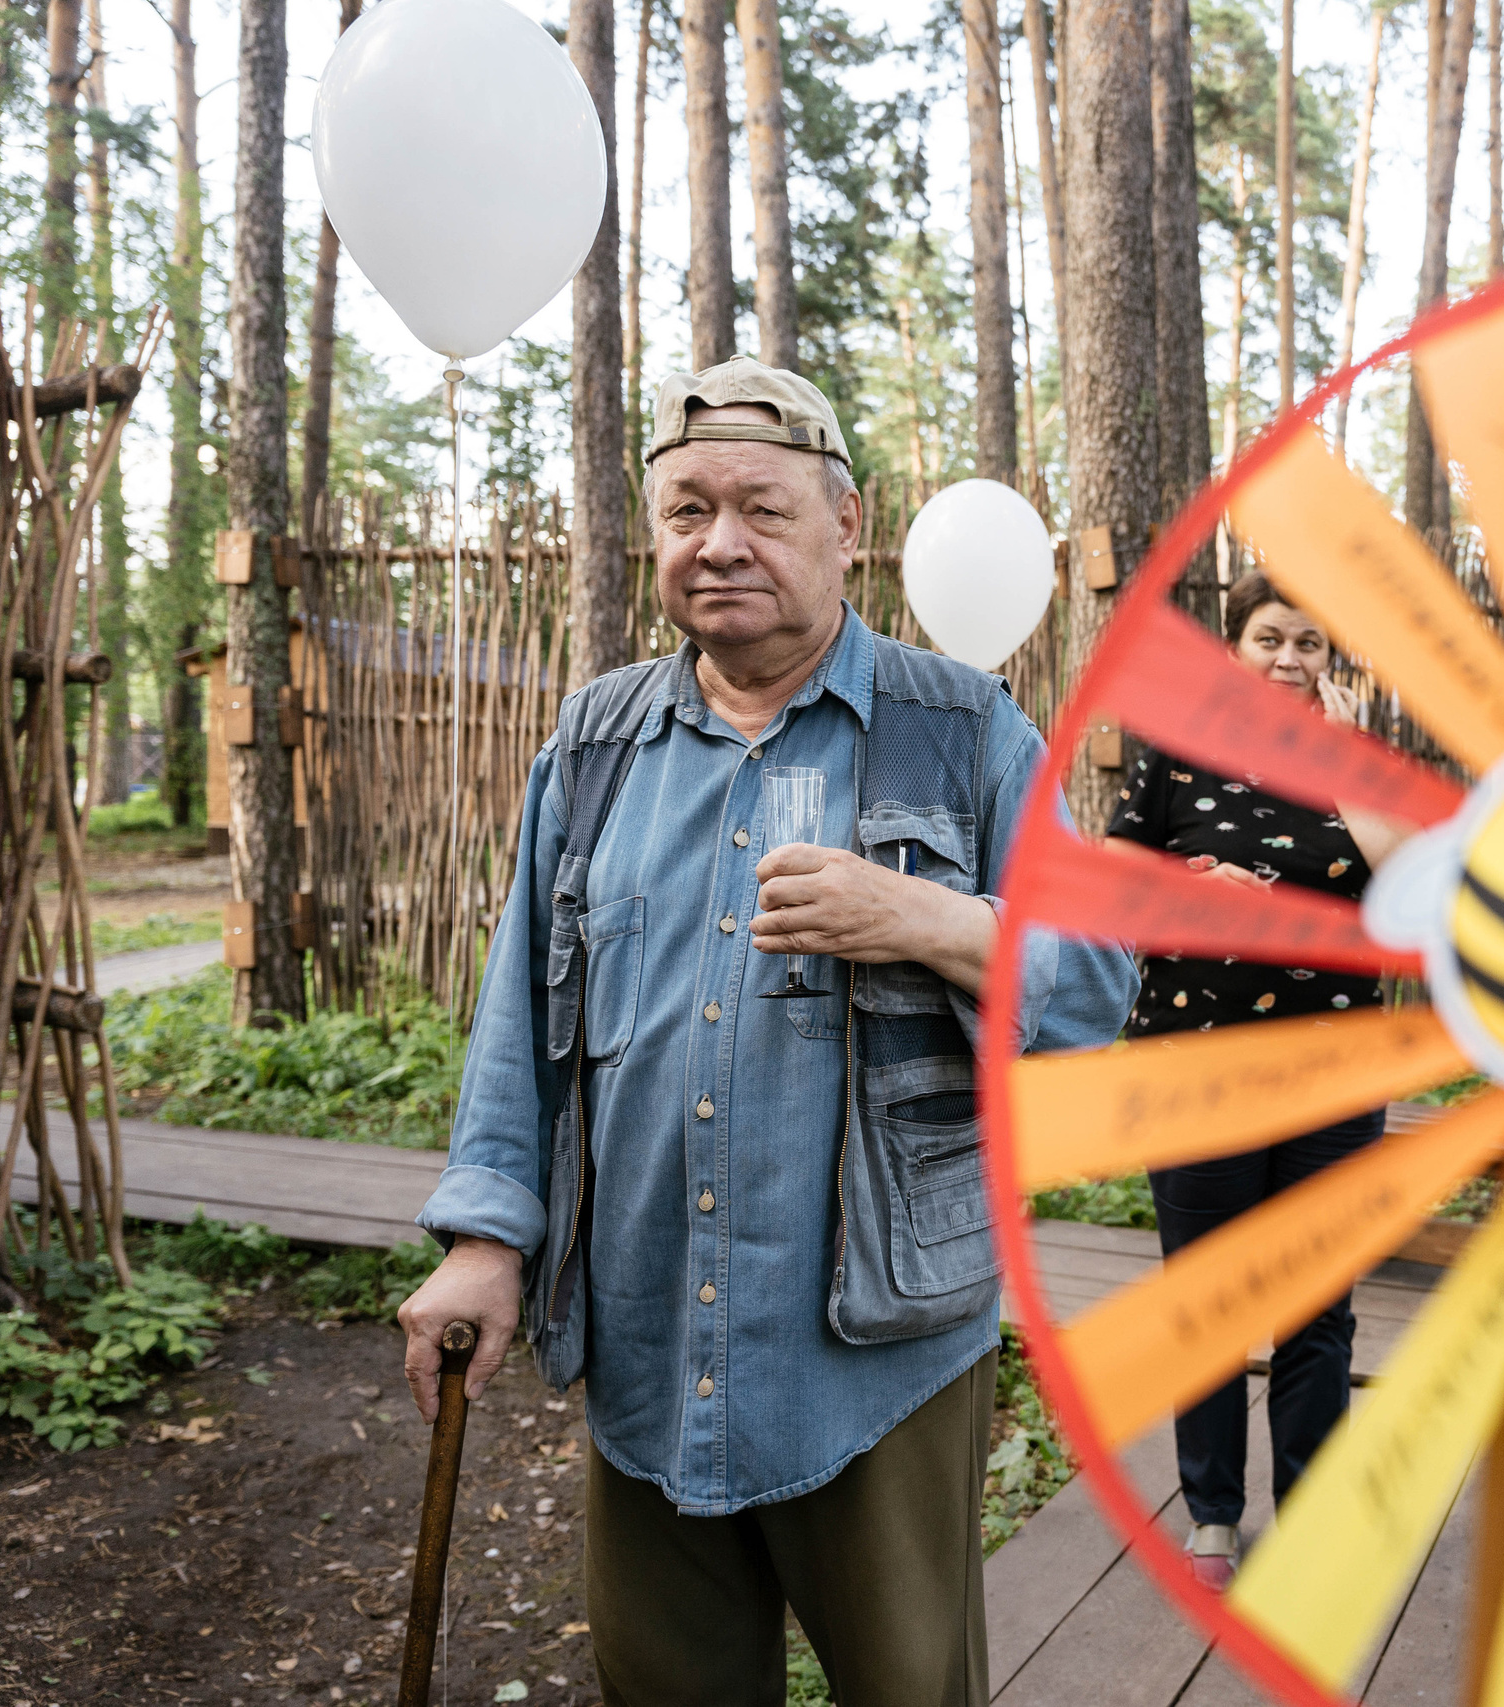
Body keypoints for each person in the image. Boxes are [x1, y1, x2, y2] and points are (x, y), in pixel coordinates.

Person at [395, 357, 1136, 1707]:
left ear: (848, 526)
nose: (718, 541)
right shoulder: (597, 741)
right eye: (686, 510)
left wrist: (922, 912)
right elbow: (522, 1020)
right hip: (644, 1334)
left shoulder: (961, 729)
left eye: (760, 506)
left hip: (876, 1359)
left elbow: (1096, 978)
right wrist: (484, 1239)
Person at [1101, 571, 1411, 1590]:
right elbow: (1108, 892)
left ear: (1330, 662)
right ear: (1233, 650)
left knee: (1317, 1306)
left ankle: (1315, 1510)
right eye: (1269, 638)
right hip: (1198, 1071)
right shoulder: (1176, 758)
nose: (1288, 659)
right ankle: (1212, 1515)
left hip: (1331, 1074)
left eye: (1310, 643)